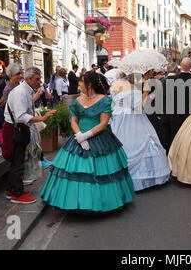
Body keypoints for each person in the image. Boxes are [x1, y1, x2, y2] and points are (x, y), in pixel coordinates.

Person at [41, 72, 135, 212]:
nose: (78, 83)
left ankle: (99, 203)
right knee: (74, 172)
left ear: (89, 84)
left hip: (100, 139)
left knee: (102, 172)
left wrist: (86, 136)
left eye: (81, 81)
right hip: (78, 139)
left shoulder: (104, 100)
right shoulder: (78, 100)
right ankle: (74, 202)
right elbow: (73, 119)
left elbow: (103, 123)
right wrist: (78, 134)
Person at [110, 71, 171, 191]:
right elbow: (139, 107)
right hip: (134, 120)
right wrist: (146, 92)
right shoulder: (133, 88)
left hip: (119, 118)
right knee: (140, 141)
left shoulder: (115, 85)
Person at [4, 67, 56, 204]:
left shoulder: (26, 90)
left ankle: (13, 190)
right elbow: (21, 116)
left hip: (19, 128)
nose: (40, 82)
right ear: (27, 79)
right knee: (17, 161)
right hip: (15, 129)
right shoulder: (21, 92)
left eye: (40, 79)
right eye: (37, 79)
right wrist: (42, 118)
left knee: (19, 160)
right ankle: (17, 194)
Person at [168, 57, 191, 149]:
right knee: (189, 141)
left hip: (175, 115)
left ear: (180, 66)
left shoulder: (171, 80)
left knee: (176, 141)